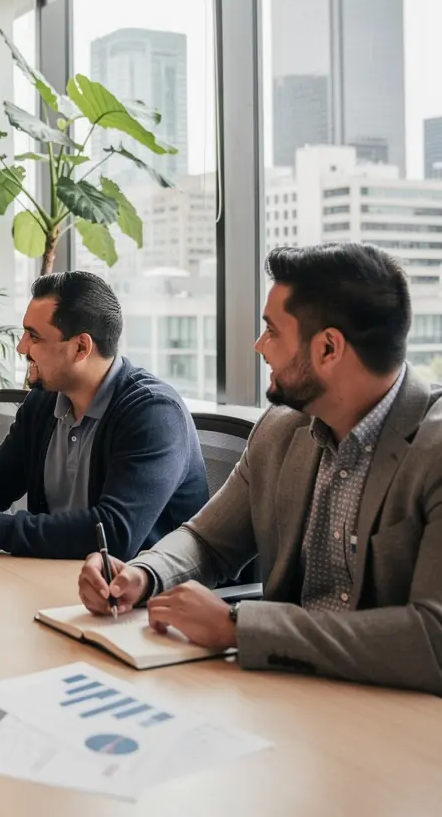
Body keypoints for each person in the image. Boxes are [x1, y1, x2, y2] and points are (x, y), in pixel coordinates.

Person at [79, 243, 442, 695]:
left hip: (399, 715)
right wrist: (144, 573)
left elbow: (432, 637)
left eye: (272, 331)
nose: (259, 345)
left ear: (329, 348)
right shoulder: (281, 428)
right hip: (286, 694)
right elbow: (208, 540)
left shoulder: (433, 448)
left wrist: (240, 626)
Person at [0, 271, 209, 559]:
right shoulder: (44, 401)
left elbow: (115, 532)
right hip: (57, 579)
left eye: (33, 336)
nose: (21, 347)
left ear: (81, 347)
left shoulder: (152, 413)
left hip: (147, 606)